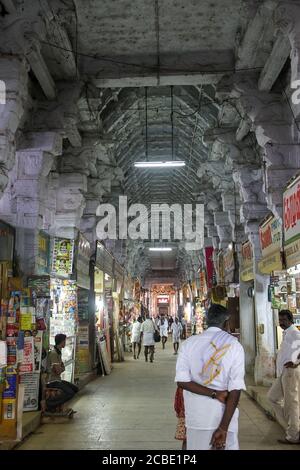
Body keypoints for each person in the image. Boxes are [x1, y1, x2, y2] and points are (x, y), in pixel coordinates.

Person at [175, 303, 246, 450]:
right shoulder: (234, 345)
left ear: (207, 321)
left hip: (197, 417)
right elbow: (235, 389)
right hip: (224, 417)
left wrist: (213, 393)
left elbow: (182, 381)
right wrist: (223, 428)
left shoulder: (188, 344)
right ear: (226, 322)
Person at [267, 309, 300, 444]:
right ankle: (293, 428)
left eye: (284, 320)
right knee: (272, 398)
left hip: (291, 373)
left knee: (291, 403)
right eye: (280, 320)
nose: (281, 323)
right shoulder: (287, 333)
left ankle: (293, 435)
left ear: (290, 320)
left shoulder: (294, 333)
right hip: (283, 374)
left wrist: (296, 362)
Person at [45, 334, 78, 412]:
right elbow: (58, 371)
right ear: (61, 342)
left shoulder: (58, 352)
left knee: (75, 389)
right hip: (52, 381)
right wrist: (61, 368)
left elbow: (61, 368)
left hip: (58, 379)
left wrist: (61, 368)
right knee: (70, 393)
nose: (65, 343)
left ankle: (60, 405)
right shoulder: (54, 353)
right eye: (64, 341)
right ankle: (50, 404)